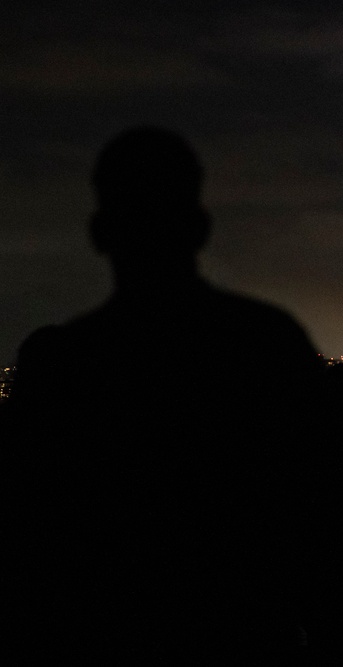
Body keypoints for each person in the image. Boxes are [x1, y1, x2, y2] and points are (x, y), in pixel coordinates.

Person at [5, 127, 324, 665]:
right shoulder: (268, 343)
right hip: (243, 633)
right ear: (200, 227)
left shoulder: (61, 365)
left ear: (99, 231)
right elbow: (314, 506)